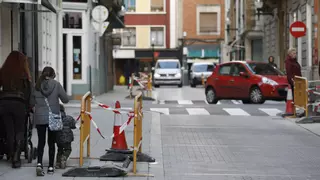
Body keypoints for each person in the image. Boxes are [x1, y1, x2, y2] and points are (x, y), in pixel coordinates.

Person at [32, 66, 69, 176]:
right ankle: (51, 167)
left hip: (39, 117)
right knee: (51, 142)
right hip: (53, 117)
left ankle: (39, 164)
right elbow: (65, 99)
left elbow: (31, 101)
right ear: (53, 75)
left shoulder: (36, 85)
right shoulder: (56, 85)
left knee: (41, 142)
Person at [0, 51, 33, 168]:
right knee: (20, 130)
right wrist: (29, 106)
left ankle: (11, 152)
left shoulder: (3, 71)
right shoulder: (24, 74)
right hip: (19, 104)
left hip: (4, 103)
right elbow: (28, 92)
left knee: (9, 130)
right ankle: (16, 157)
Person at [55, 104, 76, 169]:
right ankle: (64, 157)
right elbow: (73, 126)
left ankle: (58, 163)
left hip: (58, 137)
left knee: (59, 150)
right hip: (67, 138)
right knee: (68, 149)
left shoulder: (55, 118)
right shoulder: (69, 118)